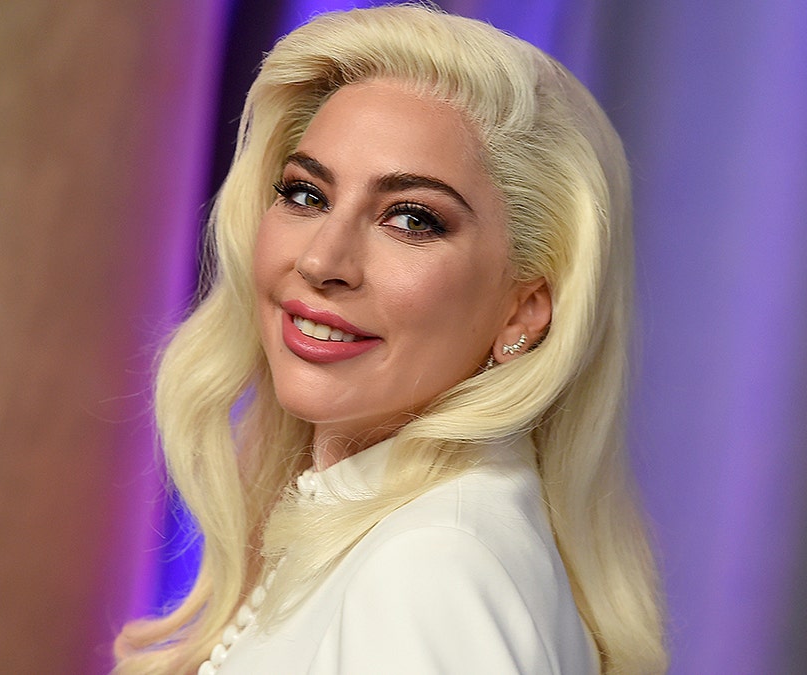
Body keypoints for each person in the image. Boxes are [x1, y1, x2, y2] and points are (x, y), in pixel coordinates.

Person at [114, 5, 666, 674]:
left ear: (525, 308)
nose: (322, 261)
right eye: (306, 194)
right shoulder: (411, 533)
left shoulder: (433, 564)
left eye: (411, 218)